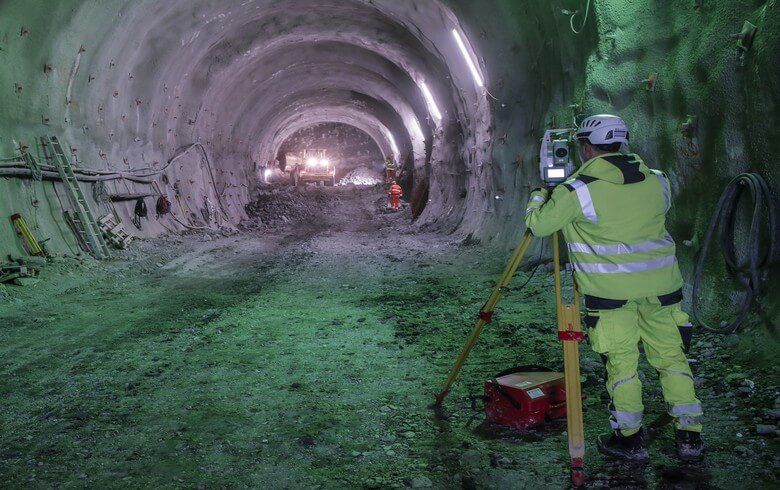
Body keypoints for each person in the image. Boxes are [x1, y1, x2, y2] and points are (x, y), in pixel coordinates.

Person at [524, 114, 703, 462]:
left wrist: (537, 196)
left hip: (611, 296)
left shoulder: (577, 190)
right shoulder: (658, 180)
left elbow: (540, 226)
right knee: (672, 359)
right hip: (663, 290)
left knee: (622, 364)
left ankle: (630, 441)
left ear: (587, 147)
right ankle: (690, 439)